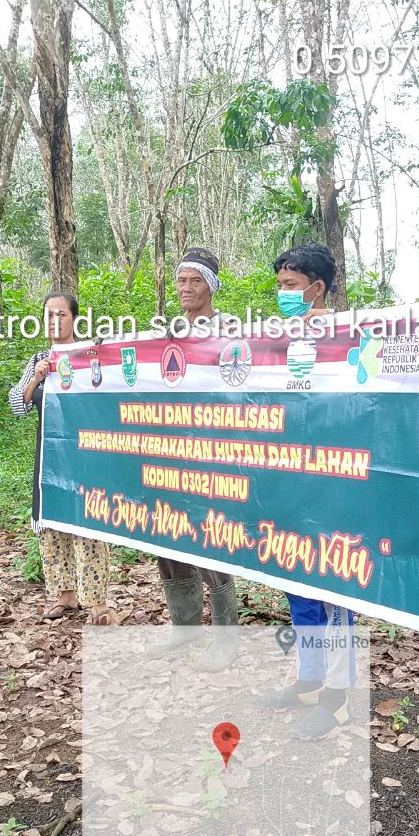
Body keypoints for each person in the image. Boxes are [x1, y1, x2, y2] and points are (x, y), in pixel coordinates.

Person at [254, 243, 357, 740]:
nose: (283, 296)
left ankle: (338, 697)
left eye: (291, 287)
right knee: (298, 587)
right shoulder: (276, 338)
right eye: (279, 287)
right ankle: (310, 679)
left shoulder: (350, 334)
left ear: (317, 288)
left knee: (333, 590)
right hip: (288, 480)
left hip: (334, 483)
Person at [145, 247, 240, 671]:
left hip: (213, 451)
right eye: (181, 280)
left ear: (211, 286)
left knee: (210, 542)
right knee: (168, 537)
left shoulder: (232, 329)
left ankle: (226, 639)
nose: (186, 288)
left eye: (195, 281)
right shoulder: (168, 332)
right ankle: (184, 627)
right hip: (170, 450)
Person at [9, 292, 116, 625]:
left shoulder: (89, 355)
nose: (55, 321)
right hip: (50, 457)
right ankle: (64, 596)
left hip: (86, 455)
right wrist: (36, 377)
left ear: (75, 319)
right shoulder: (39, 358)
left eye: (62, 315)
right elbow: (17, 404)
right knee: (52, 525)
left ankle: (96, 602)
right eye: (49, 315)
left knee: (88, 524)